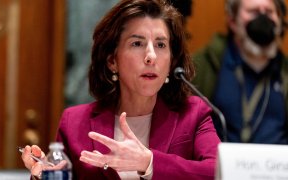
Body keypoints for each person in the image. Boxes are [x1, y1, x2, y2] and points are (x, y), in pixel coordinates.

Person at [21, 0, 220, 179]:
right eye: (137, 43)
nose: (151, 56)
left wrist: (149, 162)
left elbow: (218, 172)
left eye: (160, 44)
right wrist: (44, 176)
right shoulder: (73, 123)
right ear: (112, 60)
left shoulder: (194, 114)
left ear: (171, 60)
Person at [192, 0, 288, 143]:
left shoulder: (284, 70)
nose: (263, 18)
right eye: (253, 12)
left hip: (278, 164)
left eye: (268, 12)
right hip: (219, 163)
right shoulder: (202, 65)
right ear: (232, 22)